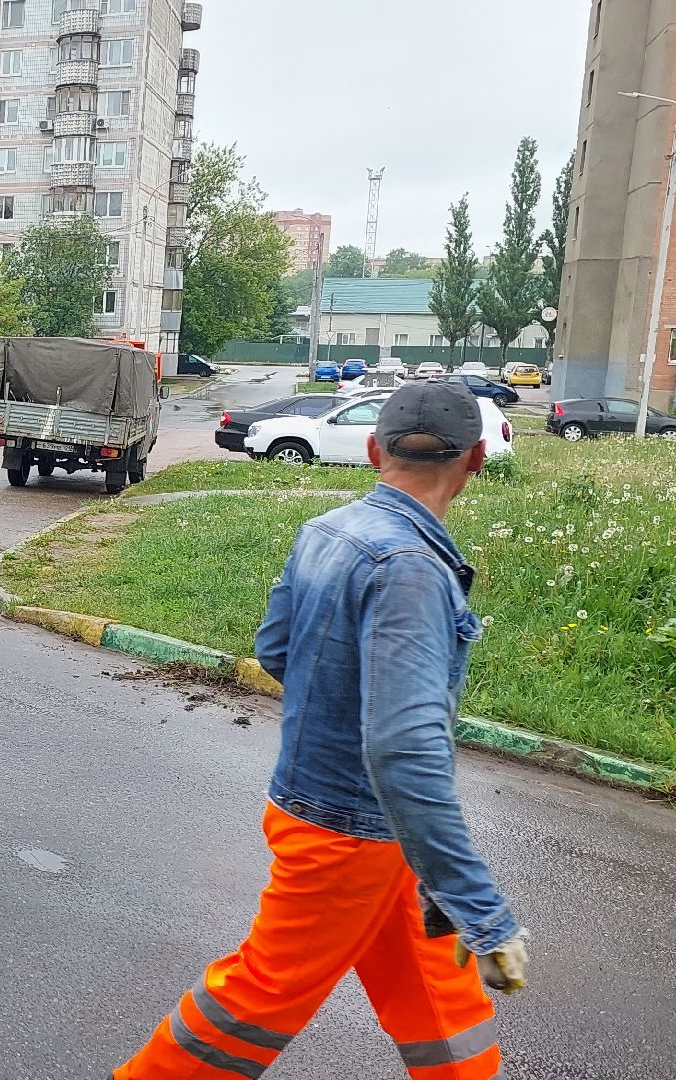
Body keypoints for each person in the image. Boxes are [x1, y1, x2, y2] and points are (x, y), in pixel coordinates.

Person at [116, 382, 527, 1080]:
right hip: (349, 834)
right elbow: (403, 750)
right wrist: (481, 909)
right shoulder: (412, 569)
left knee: (441, 1000)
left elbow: (277, 650)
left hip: (361, 824)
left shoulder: (328, 531)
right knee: (257, 998)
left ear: (374, 450)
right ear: (477, 460)